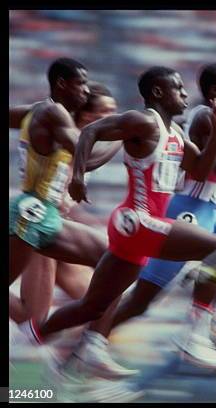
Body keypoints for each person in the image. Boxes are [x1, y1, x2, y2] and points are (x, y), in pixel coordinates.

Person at [23, 66, 216, 371]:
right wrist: (79, 176)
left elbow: (202, 170)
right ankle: (196, 335)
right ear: (159, 93)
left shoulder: (175, 133)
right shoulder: (143, 120)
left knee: (94, 305)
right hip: (136, 220)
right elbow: (91, 132)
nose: (186, 94)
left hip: (144, 226)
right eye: (178, 89)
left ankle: (35, 335)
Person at [9, 71, 134, 377]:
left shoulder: (63, 129)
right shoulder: (65, 133)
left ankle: (85, 355)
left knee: (103, 292)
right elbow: (86, 159)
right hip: (35, 225)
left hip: (53, 225)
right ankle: (32, 381)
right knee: (35, 324)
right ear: (86, 115)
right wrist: (123, 134)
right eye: (107, 114)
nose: (113, 119)